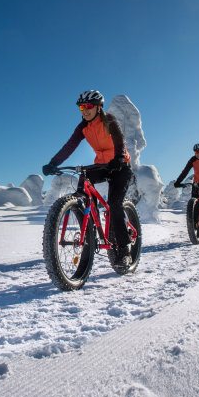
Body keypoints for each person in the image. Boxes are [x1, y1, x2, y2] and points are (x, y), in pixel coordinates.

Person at [42, 90, 133, 268]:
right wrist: (53, 163)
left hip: (120, 166)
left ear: (99, 107)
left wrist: (119, 158)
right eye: (81, 107)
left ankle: (125, 250)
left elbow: (119, 142)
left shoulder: (109, 121)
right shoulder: (83, 127)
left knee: (115, 204)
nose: (84, 110)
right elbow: (69, 146)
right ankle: (88, 228)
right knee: (83, 186)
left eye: (88, 106)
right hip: (100, 165)